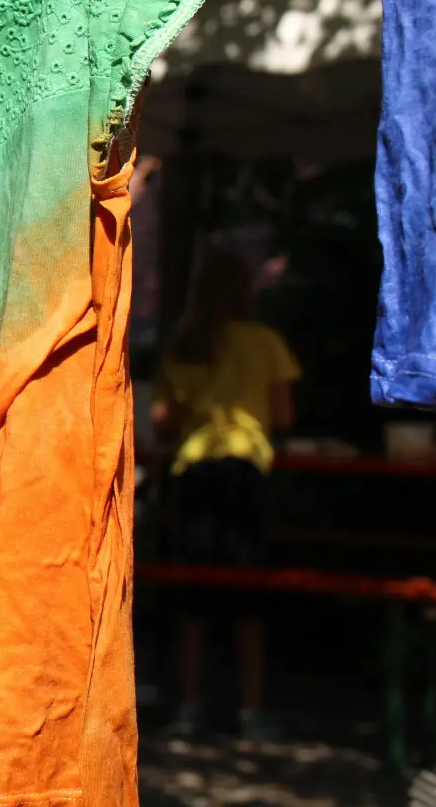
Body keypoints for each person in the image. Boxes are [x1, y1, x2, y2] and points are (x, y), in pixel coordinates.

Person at [152, 248, 301, 741]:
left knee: (193, 591)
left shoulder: (185, 345)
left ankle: (190, 705)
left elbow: (162, 421)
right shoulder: (265, 342)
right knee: (247, 592)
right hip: (244, 469)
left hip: (194, 469)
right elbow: (283, 417)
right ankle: (251, 710)